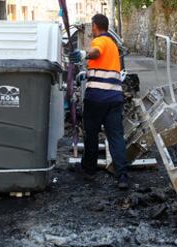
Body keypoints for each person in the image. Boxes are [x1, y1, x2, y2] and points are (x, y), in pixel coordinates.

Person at [70, 14, 129, 189]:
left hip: (96, 99)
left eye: (92, 27)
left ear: (95, 26)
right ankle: (122, 176)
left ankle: (89, 169)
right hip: (114, 98)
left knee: (91, 134)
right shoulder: (113, 45)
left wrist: (83, 54)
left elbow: (95, 53)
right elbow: (103, 66)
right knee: (116, 137)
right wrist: (86, 74)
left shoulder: (100, 41)